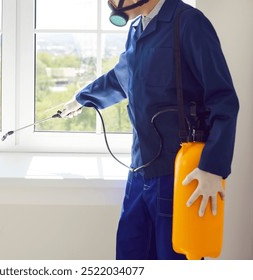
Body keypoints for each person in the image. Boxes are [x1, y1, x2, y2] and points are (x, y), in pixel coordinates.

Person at [60, 0, 239, 260]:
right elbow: (121, 77)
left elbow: (222, 99)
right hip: (139, 173)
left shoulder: (189, 23)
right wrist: (81, 99)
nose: (112, 3)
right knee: (130, 256)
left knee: (173, 260)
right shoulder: (137, 29)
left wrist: (213, 167)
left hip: (177, 175)